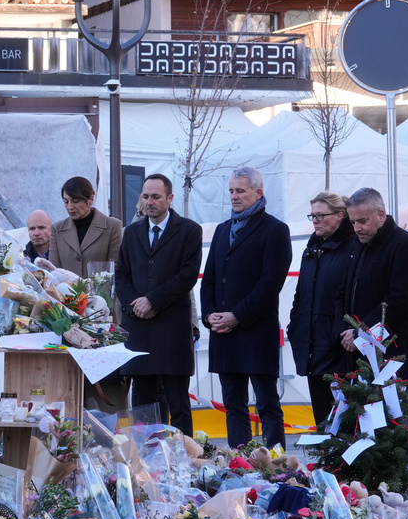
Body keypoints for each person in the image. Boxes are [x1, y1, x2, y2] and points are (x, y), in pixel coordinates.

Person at [201, 167, 292, 449]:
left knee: (267, 403)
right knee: (234, 406)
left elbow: (270, 283)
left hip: (255, 331)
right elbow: (210, 278)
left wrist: (237, 316)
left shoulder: (275, 229)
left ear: (258, 193)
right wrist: (210, 316)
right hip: (224, 334)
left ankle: (277, 466)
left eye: (240, 190)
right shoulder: (222, 230)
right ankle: (240, 464)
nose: (234, 196)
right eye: (231, 190)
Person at [116, 174, 202, 435]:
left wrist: (152, 301)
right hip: (139, 328)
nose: (149, 202)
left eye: (156, 196)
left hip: (172, 328)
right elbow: (121, 275)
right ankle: (146, 461)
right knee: (143, 402)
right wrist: (135, 305)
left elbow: (187, 275)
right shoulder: (131, 233)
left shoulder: (189, 230)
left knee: (177, 402)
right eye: (145, 196)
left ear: (169, 198)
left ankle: (186, 460)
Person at [336, 188, 408, 381]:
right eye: (352, 222)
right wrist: (345, 332)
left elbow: (398, 300)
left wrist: (360, 331)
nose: (356, 228)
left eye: (362, 221)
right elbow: (343, 292)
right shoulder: (358, 244)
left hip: (391, 357)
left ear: (381, 215)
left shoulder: (405, 245)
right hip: (356, 353)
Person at [287, 192, 357, 426]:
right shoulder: (312, 249)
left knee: (343, 420)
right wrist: (294, 327)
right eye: (312, 215)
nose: (315, 220)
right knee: (322, 420)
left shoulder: (352, 248)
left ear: (339, 216)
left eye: (320, 215)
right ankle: (326, 464)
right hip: (311, 345)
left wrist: (338, 331)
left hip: (339, 348)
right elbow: (300, 295)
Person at [48, 176, 122, 277]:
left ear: (91, 199)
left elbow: (115, 269)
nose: (70, 207)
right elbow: (53, 272)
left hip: (99, 292)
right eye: (66, 201)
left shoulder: (112, 226)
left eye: (75, 201)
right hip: (65, 292)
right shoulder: (57, 229)